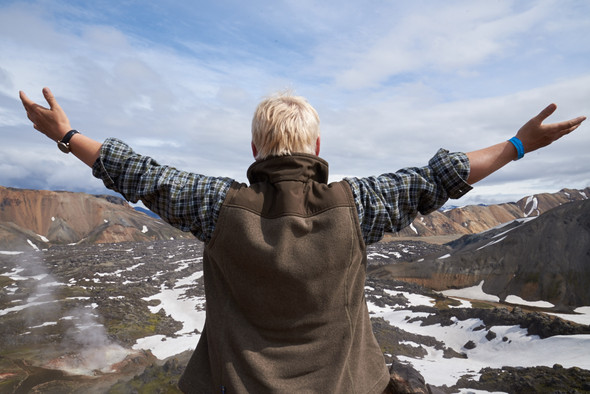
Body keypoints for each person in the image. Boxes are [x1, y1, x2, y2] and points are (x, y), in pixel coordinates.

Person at [19, 87, 585, 393]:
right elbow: (441, 176)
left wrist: (66, 135)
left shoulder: (217, 207)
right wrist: (517, 144)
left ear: (254, 152)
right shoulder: (358, 204)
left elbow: (140, 174)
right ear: (316, 149)